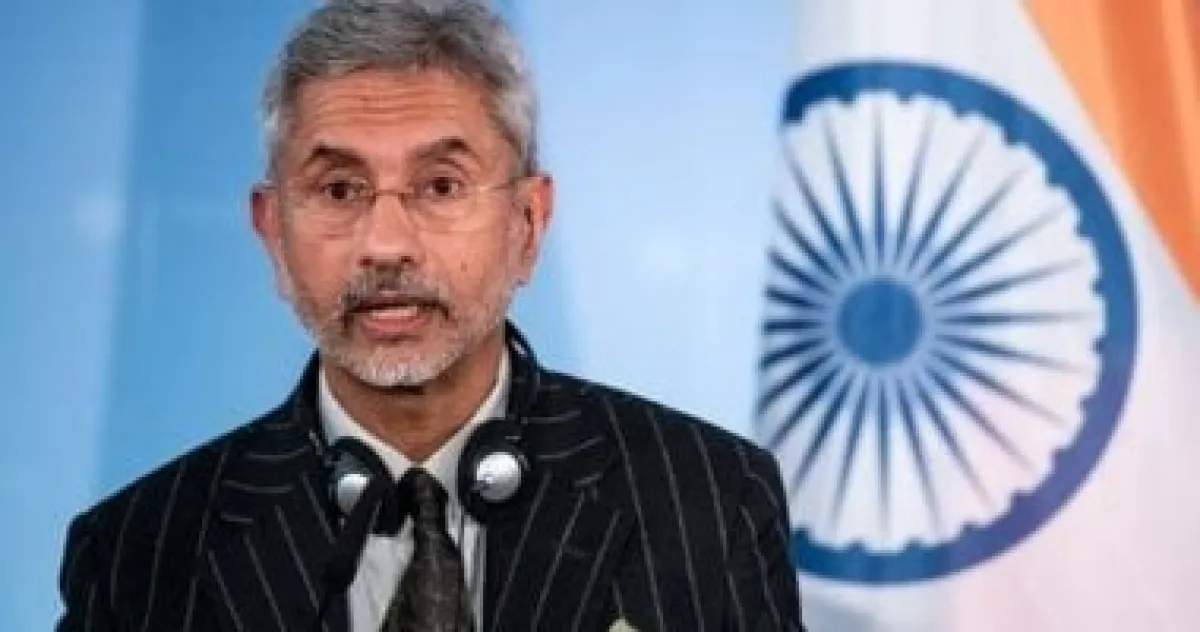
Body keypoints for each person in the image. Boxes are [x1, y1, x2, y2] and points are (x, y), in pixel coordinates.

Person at [55, 1, 803, 630]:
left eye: (441, 185)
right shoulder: (135, 555)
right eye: (340, 190)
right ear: (273, 234)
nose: (386, 245)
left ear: (528, 224)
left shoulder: (711, 502)